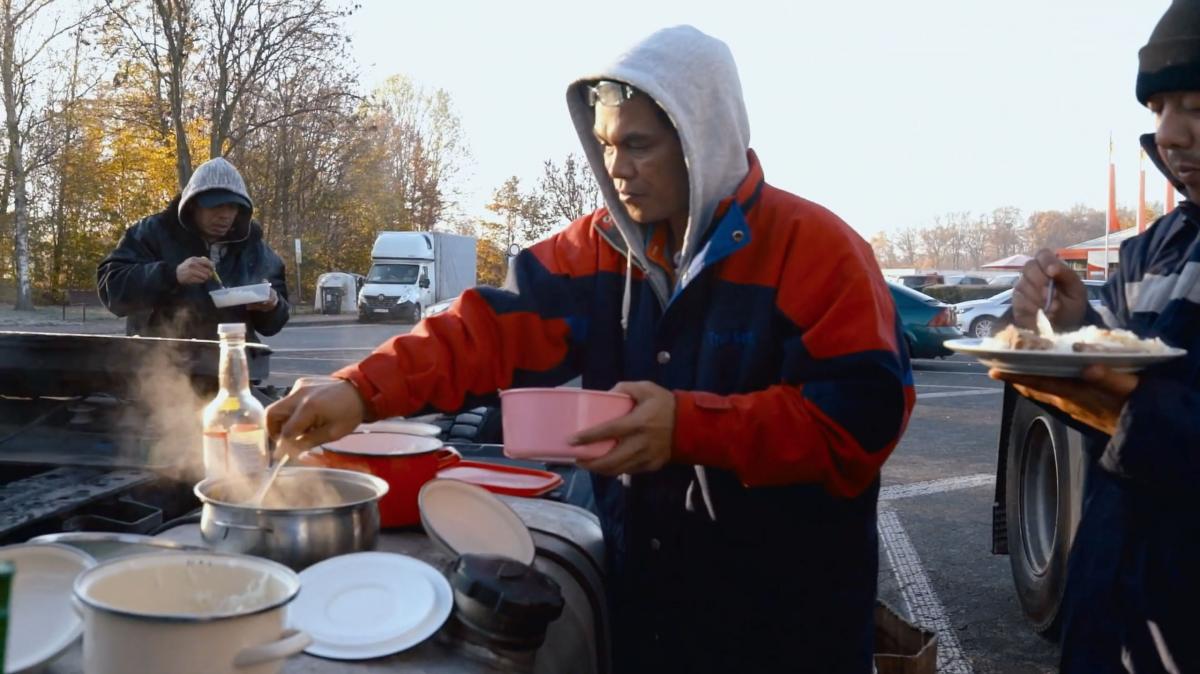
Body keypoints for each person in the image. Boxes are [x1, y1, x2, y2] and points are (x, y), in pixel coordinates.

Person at [266, 25, 913, 673]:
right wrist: (357, 390)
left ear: (701, 140)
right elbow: (485, 328)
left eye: (639, 144)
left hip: (789, 626)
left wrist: (691, 427)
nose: (616, 168)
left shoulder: (820, 252)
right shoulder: (597, 248)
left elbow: (858, 422)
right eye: (604, 144)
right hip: (648, 608)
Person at [995, 2, 1200, 671]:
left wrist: (1134, 407)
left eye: (1196, 104)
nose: (1170, 134)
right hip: (1108, 611)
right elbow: (1106, 414)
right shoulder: (1152, 250)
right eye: (1160, 106)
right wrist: (1063, 331)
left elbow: (1144, 413)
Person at [97, 157, 290, 340]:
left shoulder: (254, 247)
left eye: (232, 207)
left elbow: (272, 325)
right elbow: (112, 289)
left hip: (233, 359)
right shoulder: (152, 233)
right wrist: (171, 275)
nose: (225, 215)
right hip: (159, 364)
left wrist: (273, 306)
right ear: (193, 205)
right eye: (216, 206)